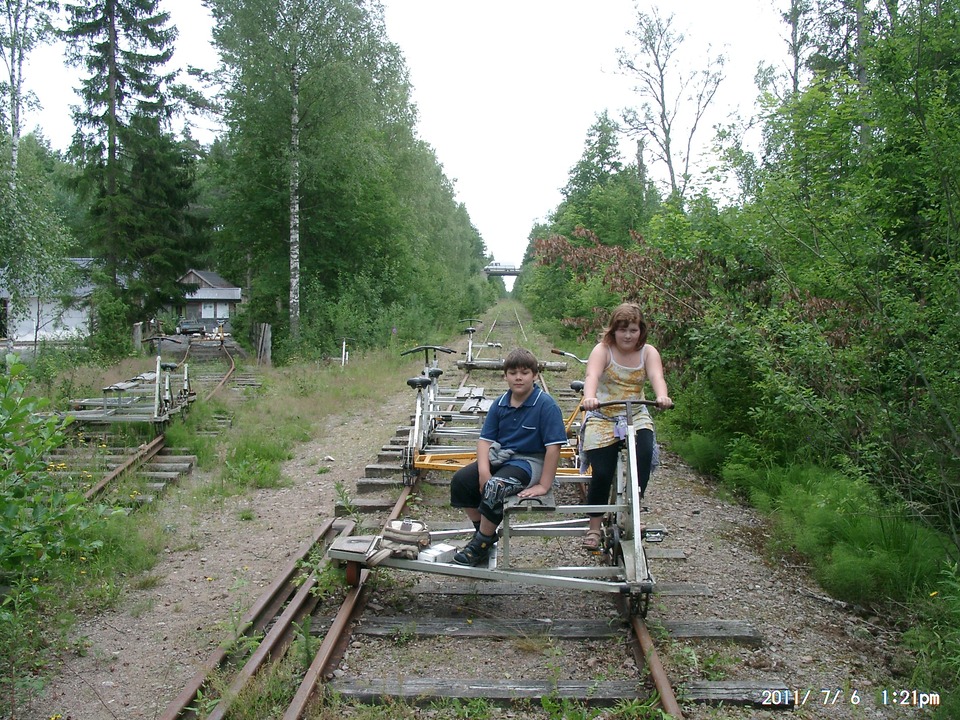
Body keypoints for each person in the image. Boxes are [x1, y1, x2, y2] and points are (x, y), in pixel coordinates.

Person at [450, 347, 568, 566]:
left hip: (530, 462)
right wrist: (483, 472)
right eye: (513, 373)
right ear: (505, 376)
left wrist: (544, 485)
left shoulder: (546, 405)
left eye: (524, 372)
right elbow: (484, 441)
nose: (518, 377)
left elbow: (553, 448)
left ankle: (480, 544)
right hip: (502, 457)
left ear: (535, 375)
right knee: (461, 480)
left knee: (496, 487)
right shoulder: (500, 403)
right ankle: (483, 533)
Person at [580, 303, 672, 551]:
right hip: (603, 414)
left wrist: (662, 396)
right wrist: (590, 397)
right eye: (622, 330)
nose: (628, 335)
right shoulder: (603, 350)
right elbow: (591, 376)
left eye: (633, 330)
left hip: (636, 414)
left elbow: (657, 377)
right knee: (602, 472)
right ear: (613, 330)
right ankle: (594, 526)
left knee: (644, 456)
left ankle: (632, 511)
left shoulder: (648, 352)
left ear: (641, 330)